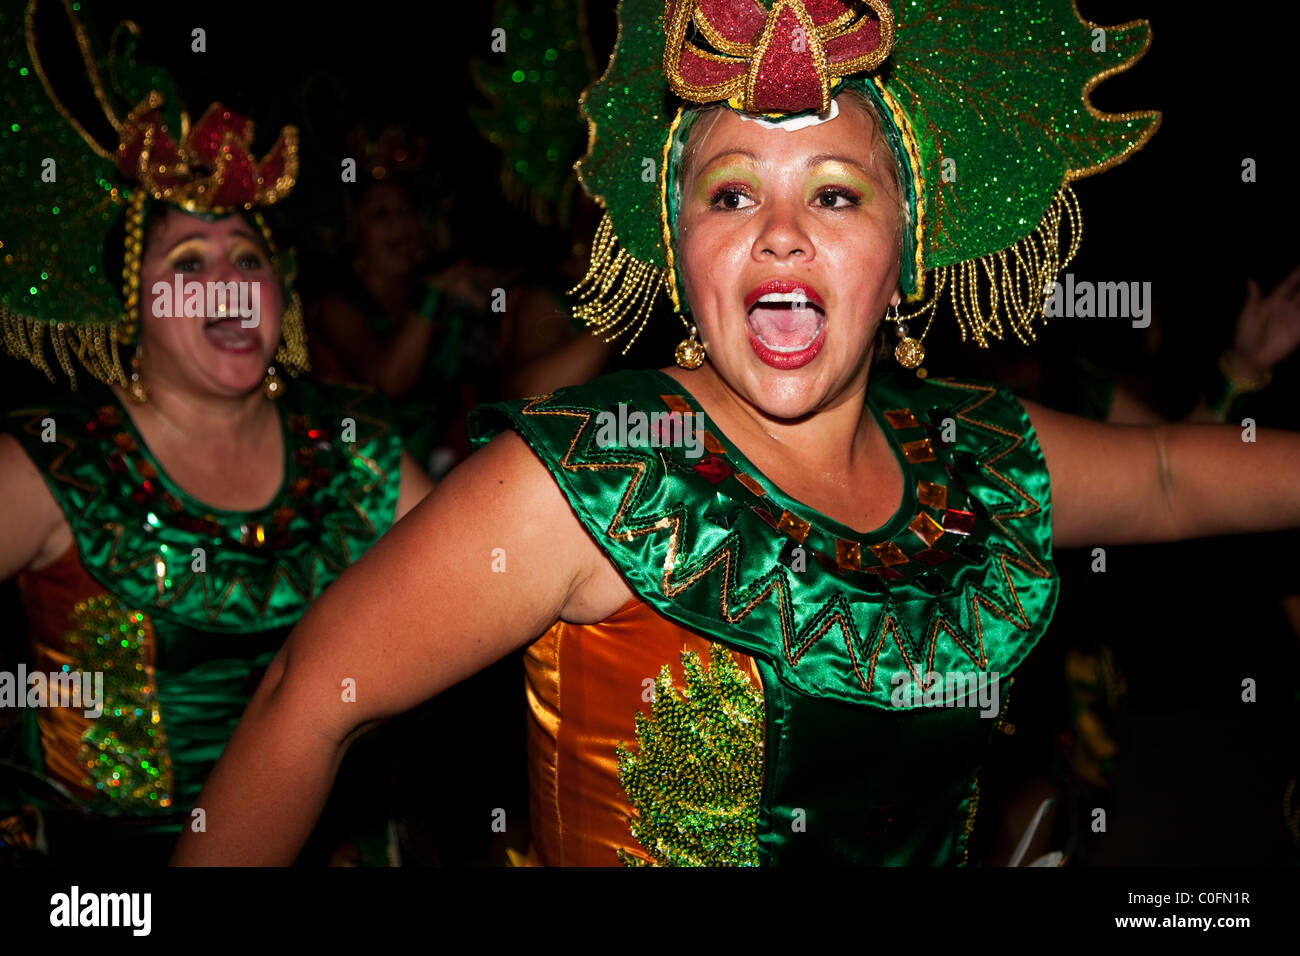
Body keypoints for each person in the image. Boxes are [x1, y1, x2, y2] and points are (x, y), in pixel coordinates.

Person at [174, 0, 1300, 866]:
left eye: (836, 194)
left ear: (909, 246)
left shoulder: (976, 452)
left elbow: (1160, 474)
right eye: (728, 194)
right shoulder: (589, 475)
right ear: (678, 252)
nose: (778, 233)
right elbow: (303, 700)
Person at [0, 1, 431, 863]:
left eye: (247, 258)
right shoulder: (53, 463)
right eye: (187, 264)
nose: (229, 283)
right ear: (135, 307)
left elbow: (500, 592)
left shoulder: (358, 450)